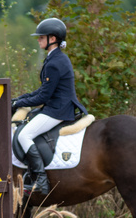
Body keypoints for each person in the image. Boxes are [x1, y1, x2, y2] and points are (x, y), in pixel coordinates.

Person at [11, 18, 87, 195]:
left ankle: (41, 182)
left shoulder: (54, 62)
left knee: (24, 135)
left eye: (41, 37)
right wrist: (18, 100)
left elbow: (43, 96)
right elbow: (43, 91)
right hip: (56, 106)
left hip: (57, 110)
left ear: (52, 39)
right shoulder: (56, 58)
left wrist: (19, 103)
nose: (38, 40)